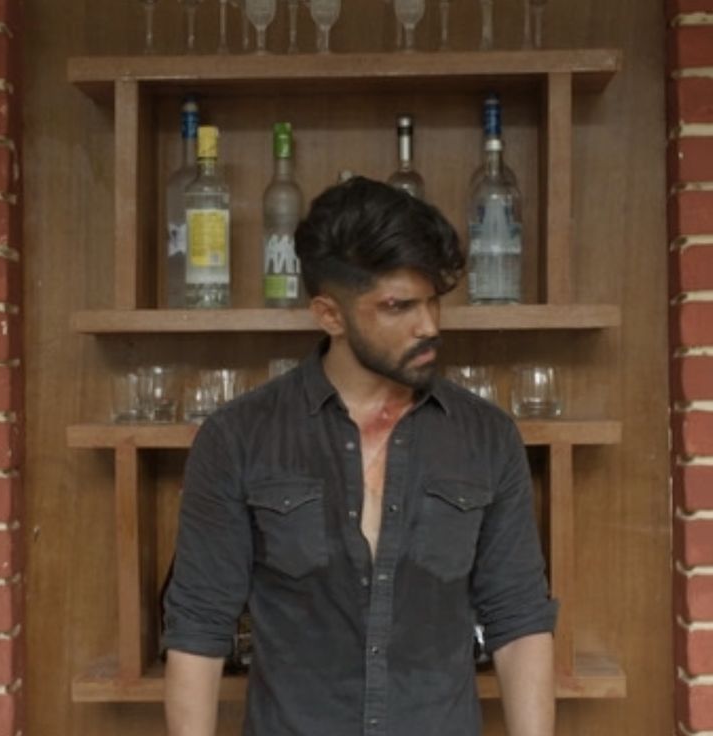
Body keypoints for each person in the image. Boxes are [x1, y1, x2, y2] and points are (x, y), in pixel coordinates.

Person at [163, 176, 558, 736]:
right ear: (330, 315)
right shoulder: (237, 439)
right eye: (398, 306)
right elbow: (199, 630)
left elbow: (518, 622)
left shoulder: (487, 438)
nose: (428, 326)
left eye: (433, 302)